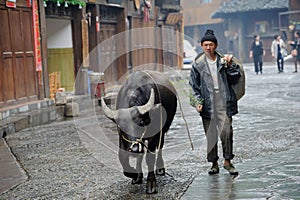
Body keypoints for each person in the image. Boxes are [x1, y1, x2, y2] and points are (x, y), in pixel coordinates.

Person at [189, 29, 243, 176]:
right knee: (211, 135)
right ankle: (213, 163)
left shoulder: (224, 60)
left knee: (226, 131)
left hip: (223, 101)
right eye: (205, 45)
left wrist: (230, 65)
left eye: (211, 44)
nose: (208, 47)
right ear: (201, 46)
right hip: (207, 103)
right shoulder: (197, 65)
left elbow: (235, 78)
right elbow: (193, 87)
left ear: (216, 45)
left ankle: (228, 161)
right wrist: (197, 102)